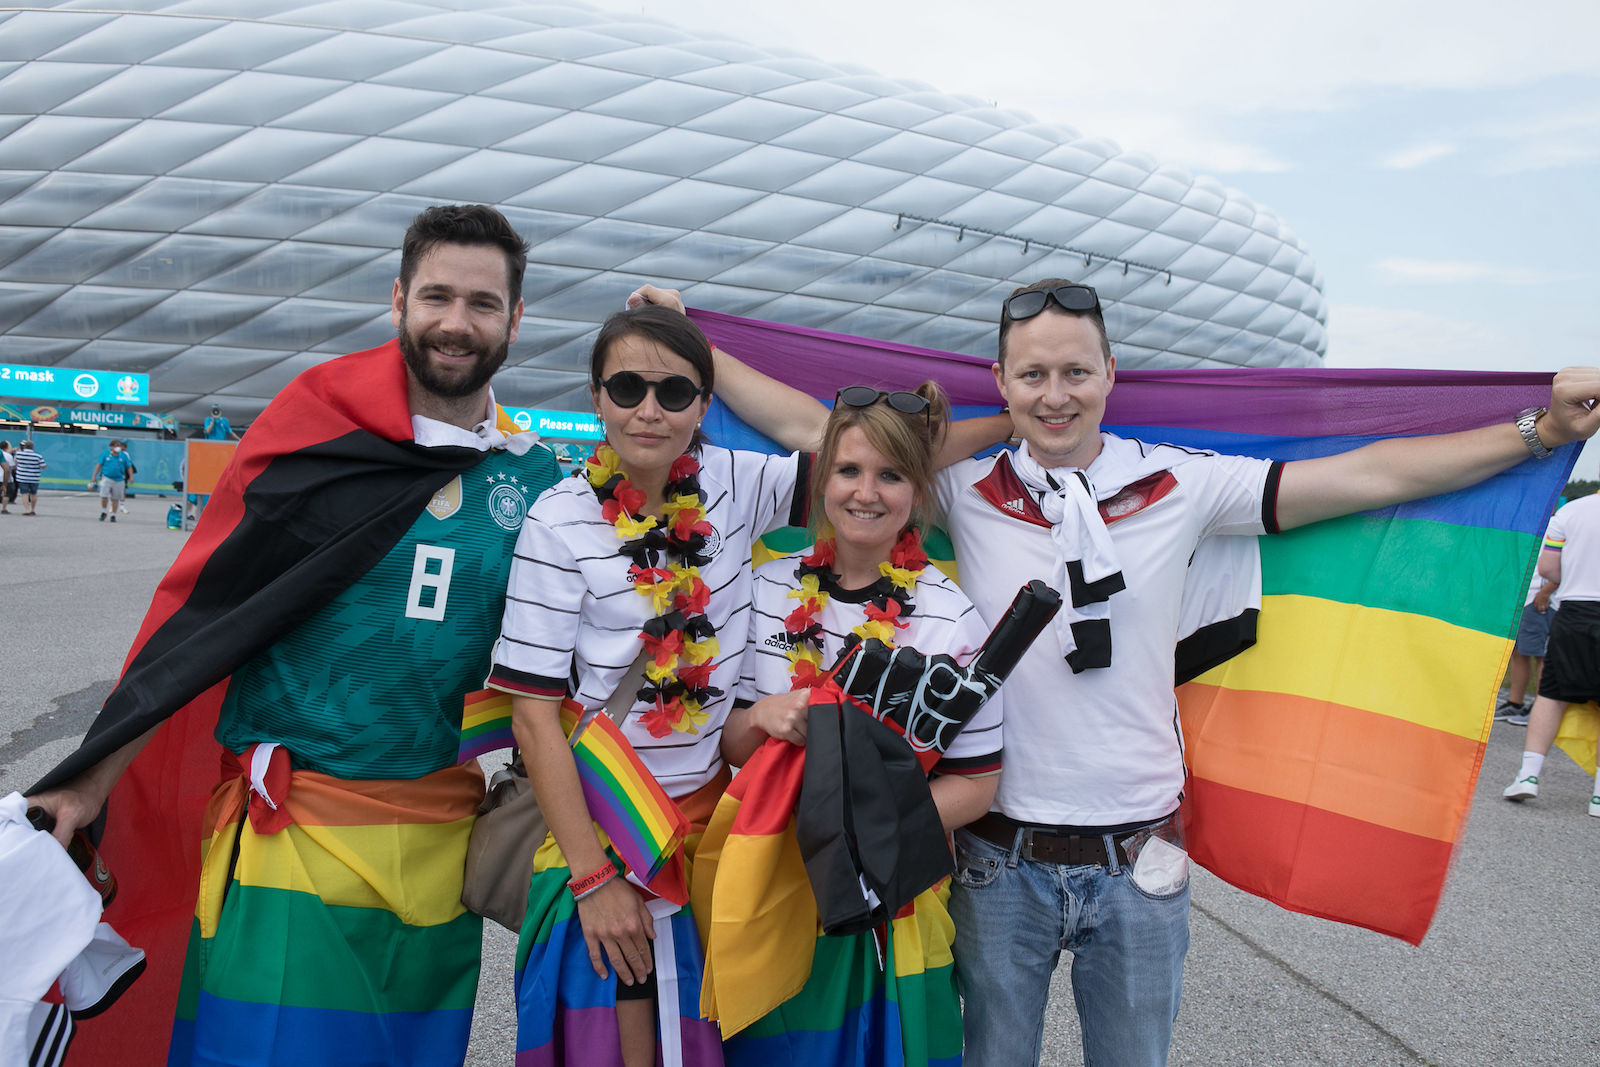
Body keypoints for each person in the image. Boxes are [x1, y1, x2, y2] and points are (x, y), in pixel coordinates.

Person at [713, 277, 1600, 1067]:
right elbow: (822, 436)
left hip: (1139, 859)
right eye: (1031, 376)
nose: (1055, 395)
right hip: (992, 860)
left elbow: (1366, 475)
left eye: (1075, 372)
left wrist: (1537, 432)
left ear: (1110, 373)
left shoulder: (1185, 483)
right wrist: (696, 356)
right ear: (1003, 382)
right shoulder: (964, 491)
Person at [25, 203, 563, 1066]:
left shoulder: (536, 480)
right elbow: (200, 623)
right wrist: (90, 780)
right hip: (298, 836)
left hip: (439, 847)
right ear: (397, 301)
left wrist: (675, 345)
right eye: (436, 297)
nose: (456, 323)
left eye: (482, 303)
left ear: (515, 318)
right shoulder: (320, 438)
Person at [486, 304, 828, 1067]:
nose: (649, 409)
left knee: (708, 1042)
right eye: (628, 386)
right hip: (602, 827)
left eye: (676, 392)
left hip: (710, 834)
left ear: (705, 405)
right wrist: (592, 878)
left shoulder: (737, 483)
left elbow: (826, 441)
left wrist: (705, 350)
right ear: (596, 396)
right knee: (619, 1045)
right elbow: (534, 720)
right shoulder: (558, 519)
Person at [718, 381, 1003, 1067]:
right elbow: (724, 739)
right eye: (848, 469)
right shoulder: (764, 590)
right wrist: (760, 716)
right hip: (773, 889)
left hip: (894, 899)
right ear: (821, 480)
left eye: (890, 474)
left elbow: (979, 781)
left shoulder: (950, 615)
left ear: (918, 490)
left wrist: (870, 838)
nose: (865, 492)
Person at [1503, 492, 1600, 817]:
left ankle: (1528, 775)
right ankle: (1599, 795)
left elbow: (1548, 568)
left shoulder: (1571, 512)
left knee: (1551, 695)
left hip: (1574, 611)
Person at [1496, 560, 1556, 725]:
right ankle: (1515, 703)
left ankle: (1540, 709)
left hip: (1540, 599)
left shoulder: (1559, 533)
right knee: (1518, 651)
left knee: (1541, 655)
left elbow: (1562, 562)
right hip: (1524, 596)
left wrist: (1546, 591)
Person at [91, 439, 134, 523]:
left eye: (119, 446)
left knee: (115, 498)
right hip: (107, 477)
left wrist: (131, 477)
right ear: (111, 446)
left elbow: (129, 466)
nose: (118, 447)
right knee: (104, 495)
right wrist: (94, 476)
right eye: (116, 445)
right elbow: (99, 465)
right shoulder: (105, 454)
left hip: (119, 479)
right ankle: (103, 511)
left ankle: (113, 514)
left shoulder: (123, 456)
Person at [11, 439, 44, 516]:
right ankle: (33, 509)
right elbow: (43, 466)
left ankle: (26, 510)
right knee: (33, 493)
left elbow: (14, 464)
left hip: (22, 477)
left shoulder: (18, 455)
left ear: (24, 447)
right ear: (33, 447)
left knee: (24, 494)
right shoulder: (38, 456)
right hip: (34, 478)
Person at [0, 439, 13, 513]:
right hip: (3, 477)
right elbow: (7, 469)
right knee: (6, 494)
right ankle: (4, 508)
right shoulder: (2, 454)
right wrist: (4, 485)